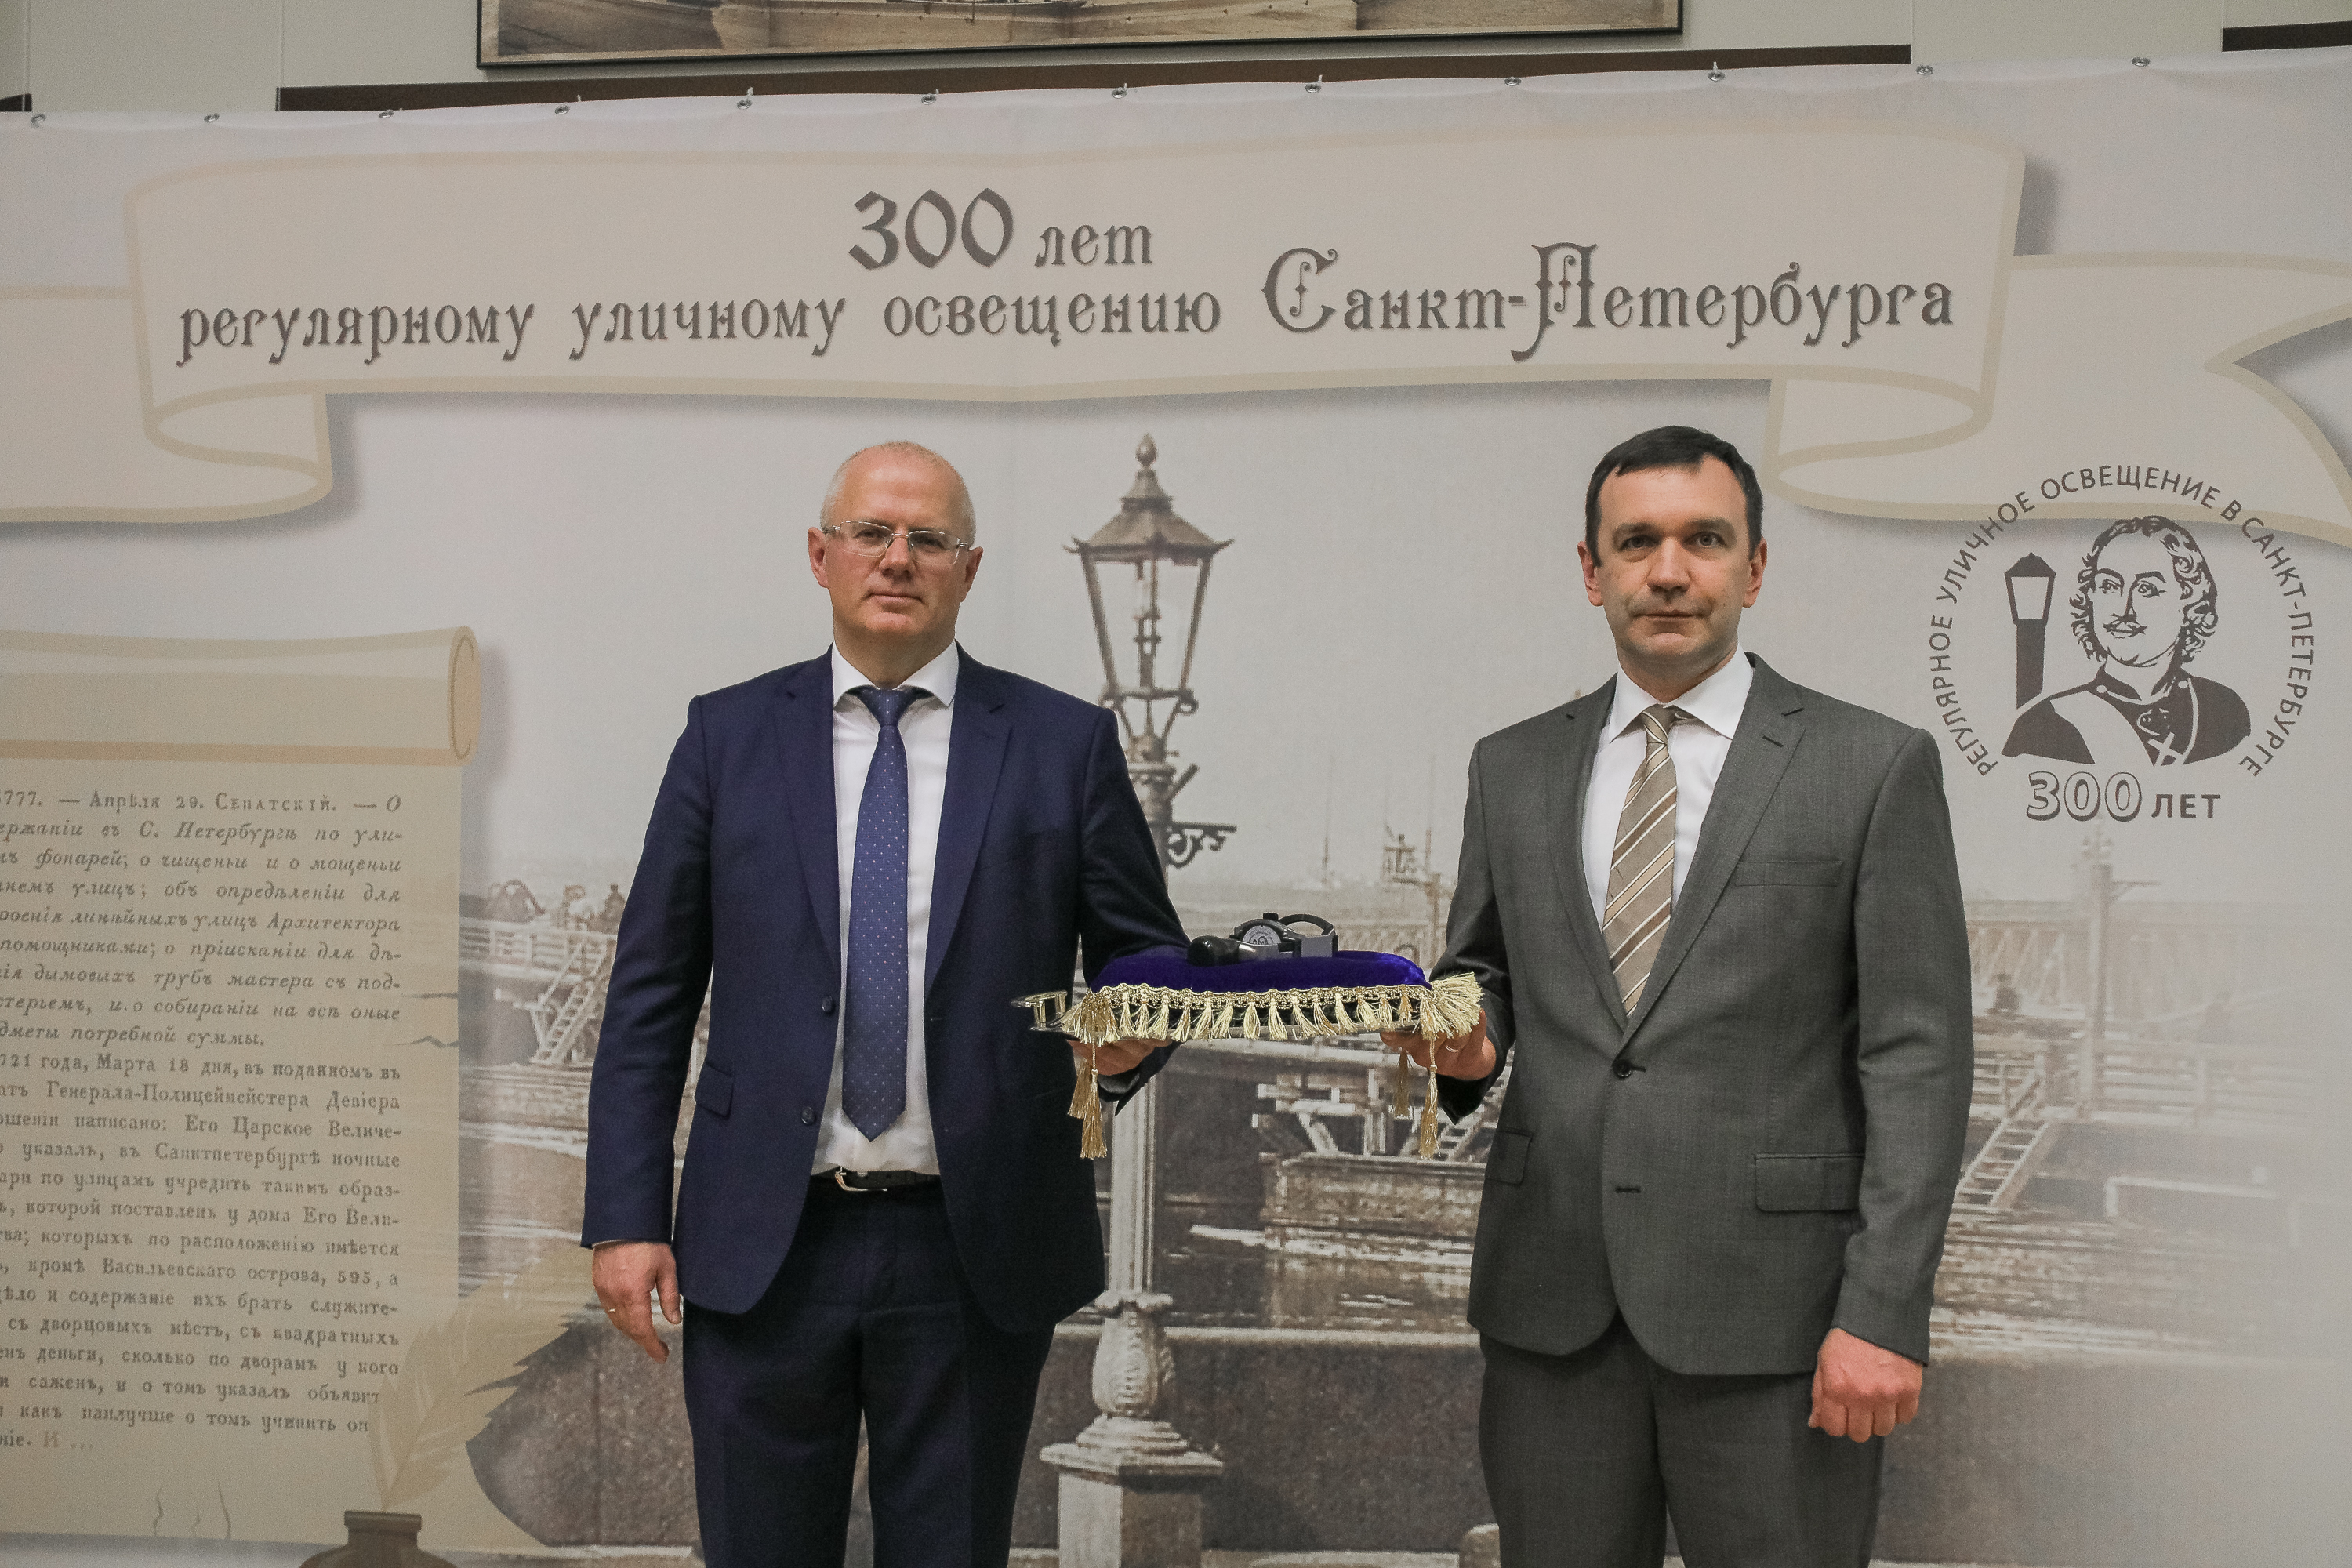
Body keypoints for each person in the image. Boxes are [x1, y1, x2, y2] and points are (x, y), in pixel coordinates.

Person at [582, 441, 1184, 1568]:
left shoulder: (1064, 744)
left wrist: (1127, 1033)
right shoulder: (725, 736)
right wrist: (625, 1214)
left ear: (970, 568)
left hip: (973, 1245)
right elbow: (650, 991)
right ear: (821, 555)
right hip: (763, 1243)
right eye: (872, 532)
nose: (898, 558)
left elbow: (1144, 952)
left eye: (930, 538)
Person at [1388, 426, 1973, 1567]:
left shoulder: (1873, 765)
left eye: (1704, 540)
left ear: (1755, 567)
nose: (1669, 571)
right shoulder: (1510, 766)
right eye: (1637, 542)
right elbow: (1485, 972)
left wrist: (1882, 1312)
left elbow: (1918, 1057)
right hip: (1551, 1313)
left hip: (1782, 1328)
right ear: (1591, 569)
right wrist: (1464, 1041)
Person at [2002, 515, 2249, 766]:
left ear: (2189, 603)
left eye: (2147, 589)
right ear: (2091, 596)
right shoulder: (2044, 723)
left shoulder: (2222, 709)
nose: (2123, 610)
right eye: (2109, 586)